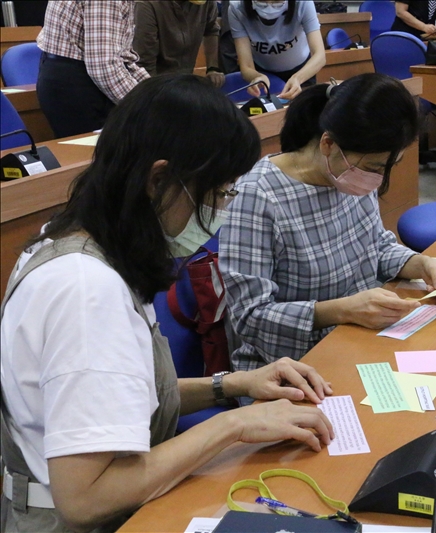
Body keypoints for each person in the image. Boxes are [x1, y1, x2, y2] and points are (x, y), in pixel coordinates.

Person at [0, 75, 334, 533]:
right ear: (158, 180)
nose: (220, 211)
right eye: (217, 193)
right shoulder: (86, 291)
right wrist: (233, 426)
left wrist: (233, 384)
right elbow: (85, 498)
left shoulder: (69, 240)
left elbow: (115, 394)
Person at [220, 73, 436, 376]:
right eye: (374, 167)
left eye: (389, 166)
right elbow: (249, 315)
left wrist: (421, 264)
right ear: (328, 144)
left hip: (362, 337)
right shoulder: (258, 197)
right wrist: (342, 310)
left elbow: (375, 246)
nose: (378, 179)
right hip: (293, 367)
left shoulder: (350, 174)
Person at [36, 0, 149, 138]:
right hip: (76, 84)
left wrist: (156, 92)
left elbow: (124, 57)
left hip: (72, 75)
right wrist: (145, 106)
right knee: (96, 151)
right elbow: (103, 68)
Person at [228, 0, 325, 100]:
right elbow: (246, 66)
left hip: (302, 70)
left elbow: (319, 55)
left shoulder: (303, 3)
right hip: (262, 72)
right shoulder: (237, 7)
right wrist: (256, 77)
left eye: (277, 1)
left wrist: (298, 78)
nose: (269, 7)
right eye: (263, 1)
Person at [133, 0, 226, 88]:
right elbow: (146, 64)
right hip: (156, 82)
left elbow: (211, 30)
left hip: (185, 80)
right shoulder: (147, 5)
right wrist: (157, 93)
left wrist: (212, 68)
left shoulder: (205, 3)